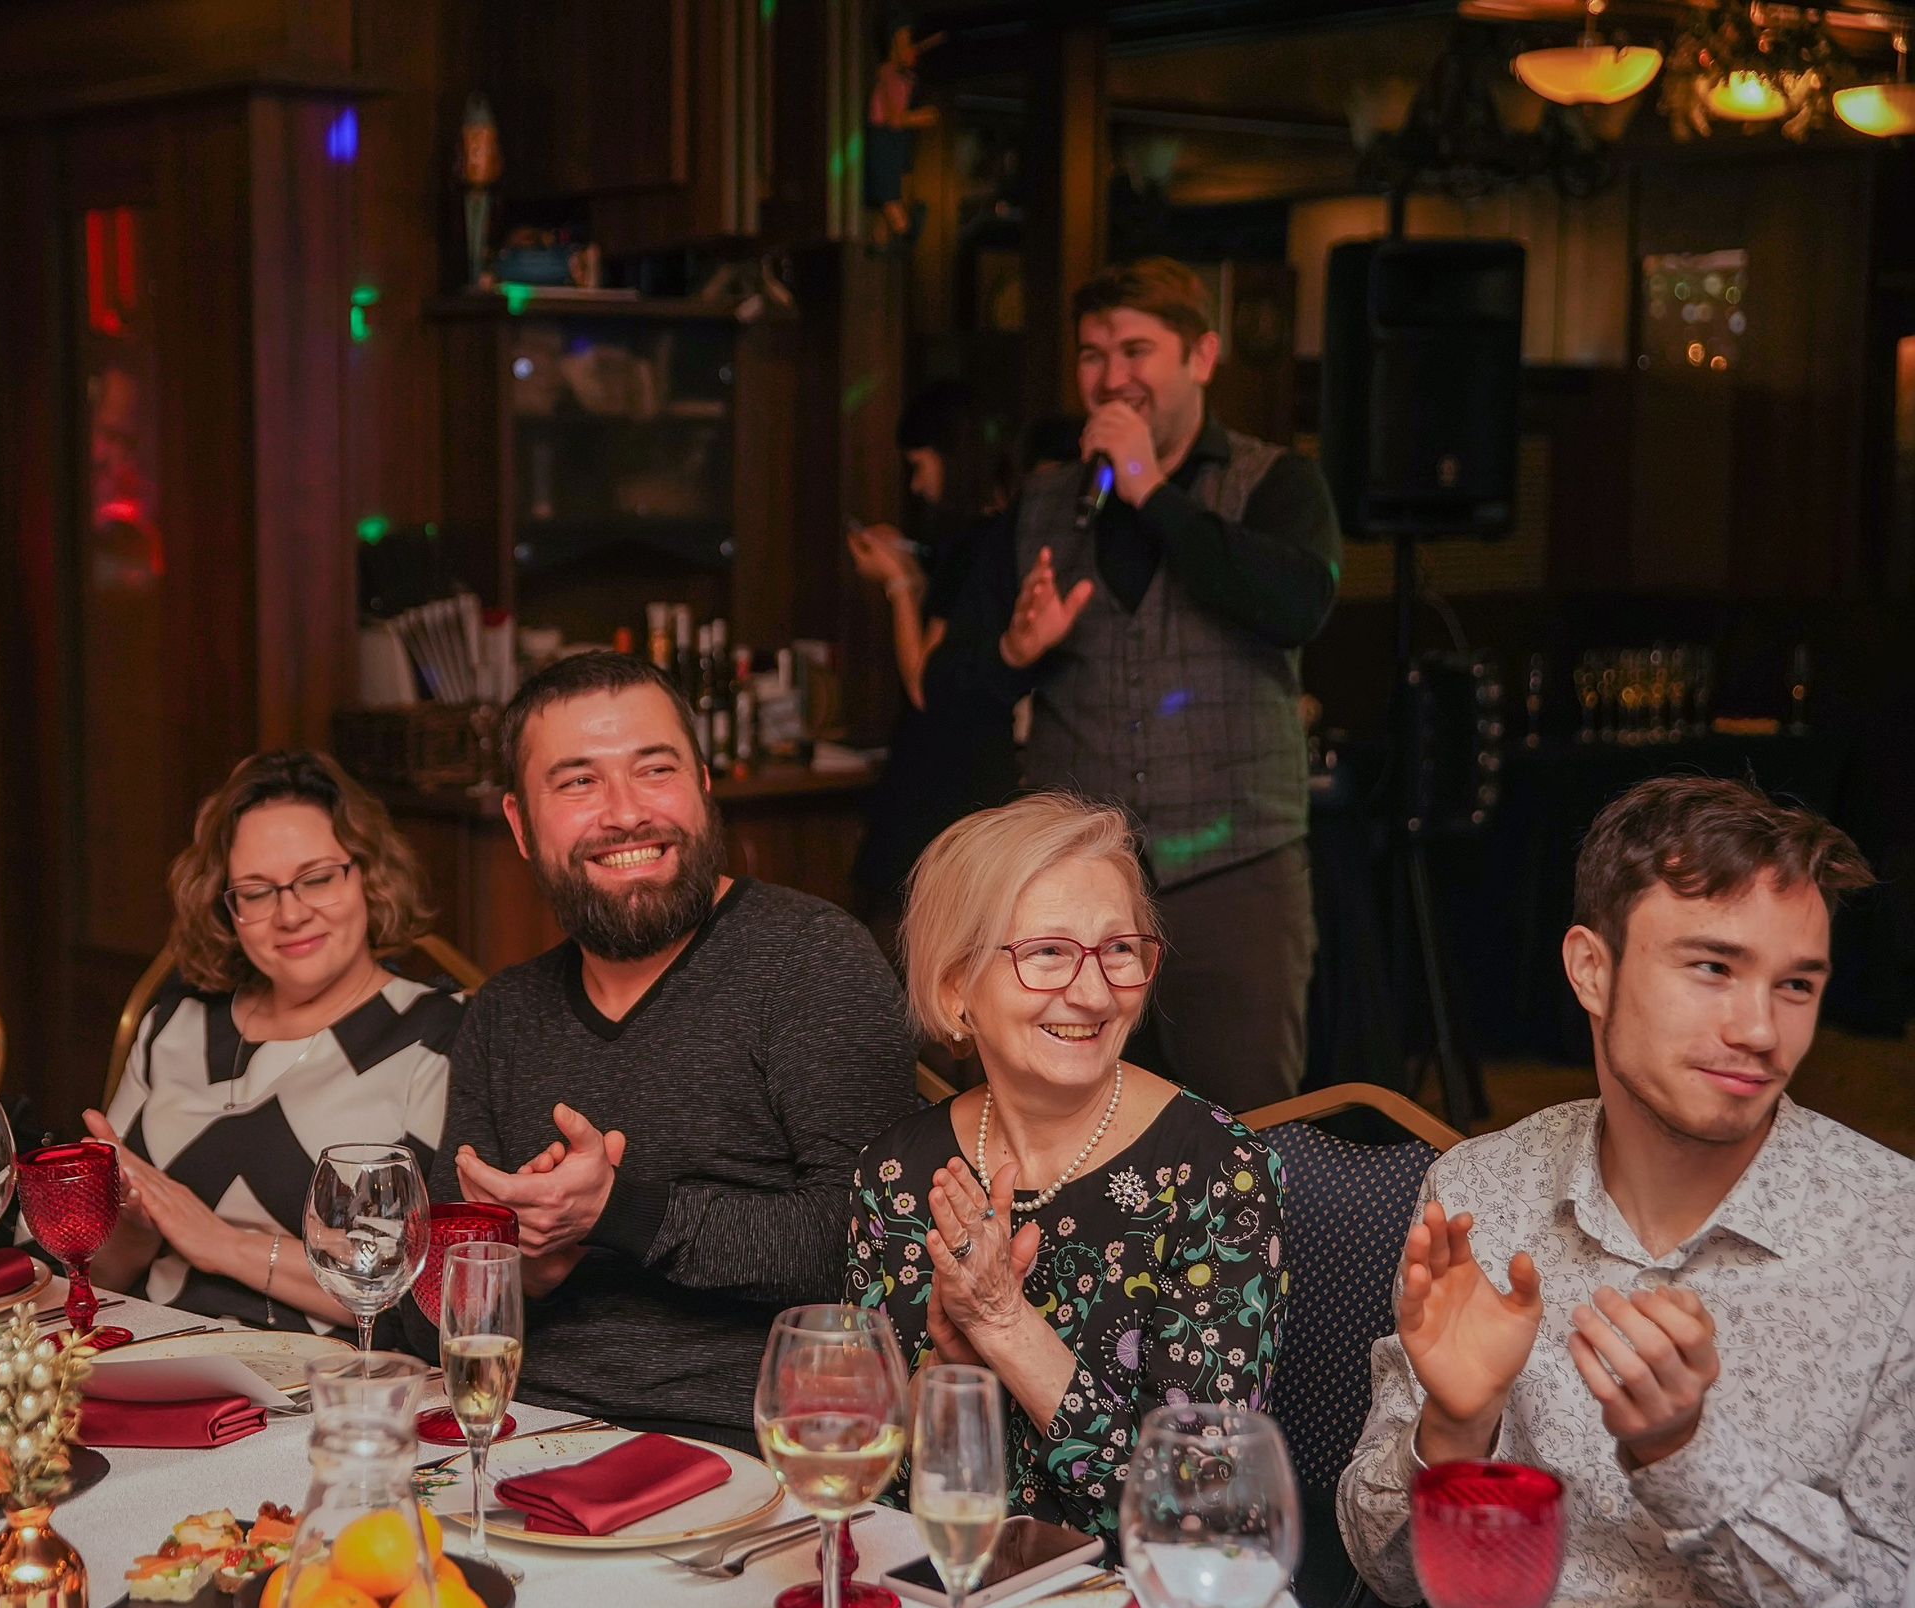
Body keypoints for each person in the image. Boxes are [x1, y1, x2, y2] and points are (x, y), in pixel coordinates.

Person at [1339, 775, 1910, 1608]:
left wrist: (1686, 1457)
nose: (1760, 1030)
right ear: (1591, 970)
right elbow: (1387, 1572)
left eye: (1795, 985)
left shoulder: (1894, 1233)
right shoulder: (1485, 1191)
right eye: (1712, 968)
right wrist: (1453, 1429)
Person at [403, 650, 917, 1448]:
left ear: (705, 785)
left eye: (655, 769)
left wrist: (618, 1211)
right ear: (520, 825)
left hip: (752, 1446)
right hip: (519, 1431)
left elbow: (872, 1248)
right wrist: (522, 1268)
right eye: (578, 782)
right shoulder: (504, 1013)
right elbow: (430, 1301)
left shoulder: (812, 963)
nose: (626, 812)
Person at [927, 256, 1342, 1113]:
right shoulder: (1043, 506)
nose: (1111, 378)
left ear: (1201, 356)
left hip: (1236, 871)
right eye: (1091, 355)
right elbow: (947, 689)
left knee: (1245, 1123)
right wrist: (1014, 649)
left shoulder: (1275, 483)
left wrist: (1150, 487)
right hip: (1070, 884)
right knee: (1065, 1114)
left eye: (1136, 350)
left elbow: (1296, 605)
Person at [847, 792, 1282, 1541]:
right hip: (941, 1596)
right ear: (957, 991)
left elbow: (1199, 1520)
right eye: (1046, 952)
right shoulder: (896, 1173)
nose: (1091, 992)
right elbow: (863, 1487)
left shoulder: (1221, 1171)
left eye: (1118, 949)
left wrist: (1006, 1327)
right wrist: (950, 1373)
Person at [83, 750, 463, 1330]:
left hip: (330, 1387)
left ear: (368, 875)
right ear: (225, 907)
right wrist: (133, 1230)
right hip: (150, 1359)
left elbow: (425, 1302)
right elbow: (88, 1278)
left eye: (316, 879)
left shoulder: (436, 1037)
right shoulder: (172, 1028)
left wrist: (223, 1246)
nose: (290, 914)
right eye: (257, 892)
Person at [848, 381, 1024, 937]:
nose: (918, 484)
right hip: (980, 771)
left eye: (920, 465)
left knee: (908, 941)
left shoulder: (981, 547)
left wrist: (899, 585)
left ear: (950, 457)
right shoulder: (1000, 535)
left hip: (950, 775)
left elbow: (927, 683)